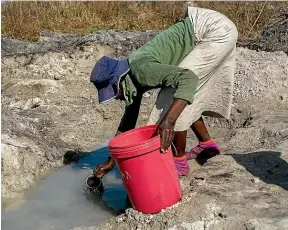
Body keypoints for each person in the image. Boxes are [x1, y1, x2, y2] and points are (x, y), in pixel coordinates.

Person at [91, 6, 238, 178]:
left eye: (114, 92)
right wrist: (111, 161)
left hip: (215, 30)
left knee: (170, 99)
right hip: (209, 26)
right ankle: (207, 144)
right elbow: (127, 124)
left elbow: (188, 79)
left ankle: (179, 161)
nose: (117, 97)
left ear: (119, 81)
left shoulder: (141, 70)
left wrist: (168, 121)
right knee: (181, 98)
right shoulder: (130, 79)